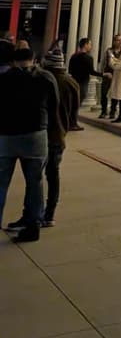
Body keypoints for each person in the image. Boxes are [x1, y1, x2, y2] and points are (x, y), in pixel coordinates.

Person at [10, 50, 79, 228]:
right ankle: (49, 213)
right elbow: (74, 112)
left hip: (39, 132)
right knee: (52, 176)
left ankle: (32, 215)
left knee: (34, 179)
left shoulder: (42, 79)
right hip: (58, 135)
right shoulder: (71, 82)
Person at [0, 46, 58, 242]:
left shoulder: (4, 78)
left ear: (13, 62)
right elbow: (54, 106)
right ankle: (33, 226)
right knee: (35, 183)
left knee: (1, 184)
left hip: (7, 135)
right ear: (33, 59)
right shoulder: (46, 77)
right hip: (36, 134)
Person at [100, 34, 121, 119]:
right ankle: (103, 111)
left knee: (115, 94)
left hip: (117, 75)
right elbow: (103, 62)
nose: (120, 42)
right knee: (104, 93)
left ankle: (112, 111)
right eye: (118, 40)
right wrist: (102, 72)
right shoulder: (108, 51)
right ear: (114, 41)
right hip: (107, 74)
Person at [68, 37, 94, 111]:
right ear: (85, 45)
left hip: (73, 81)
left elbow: (70, 70)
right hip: (83, 82)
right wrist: (103, 74)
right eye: (90, 44)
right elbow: (91, 71)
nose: (90, 46)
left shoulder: (73, 56)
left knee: (73, 102)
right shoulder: (89, 58)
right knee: (78, 102)